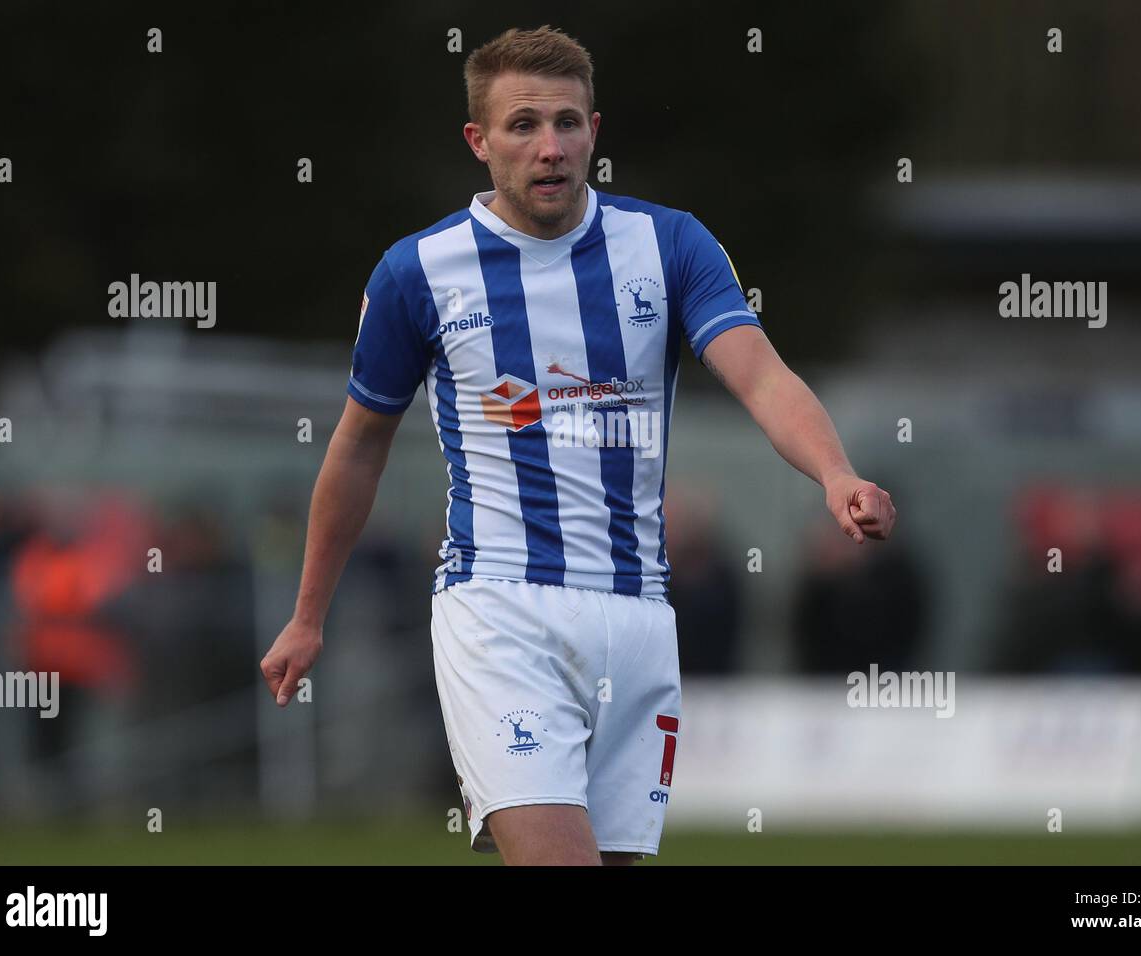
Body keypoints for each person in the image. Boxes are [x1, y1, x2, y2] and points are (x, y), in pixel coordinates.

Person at [260, 24, 896, 866]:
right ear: (479, 142)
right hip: (501, 609)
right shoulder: (419, 273)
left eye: (567, 123)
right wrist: (308, 614)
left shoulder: (668, 245)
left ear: (595, 129)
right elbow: (357, 448)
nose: (549, 147)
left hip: (637, 617)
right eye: (523, 125)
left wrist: (835, 471)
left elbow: (763, 377)